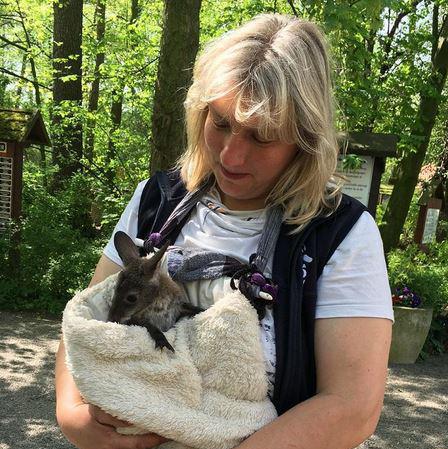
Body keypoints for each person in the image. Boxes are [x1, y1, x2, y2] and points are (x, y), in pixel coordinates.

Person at [55, 13, 393, 449]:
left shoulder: (340, 233)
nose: (232, 155)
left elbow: (352, 405)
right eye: (221, 123)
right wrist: (72, 414)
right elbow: (87, 322)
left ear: (304, 140)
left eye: (263, 137)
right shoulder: (155, 200)